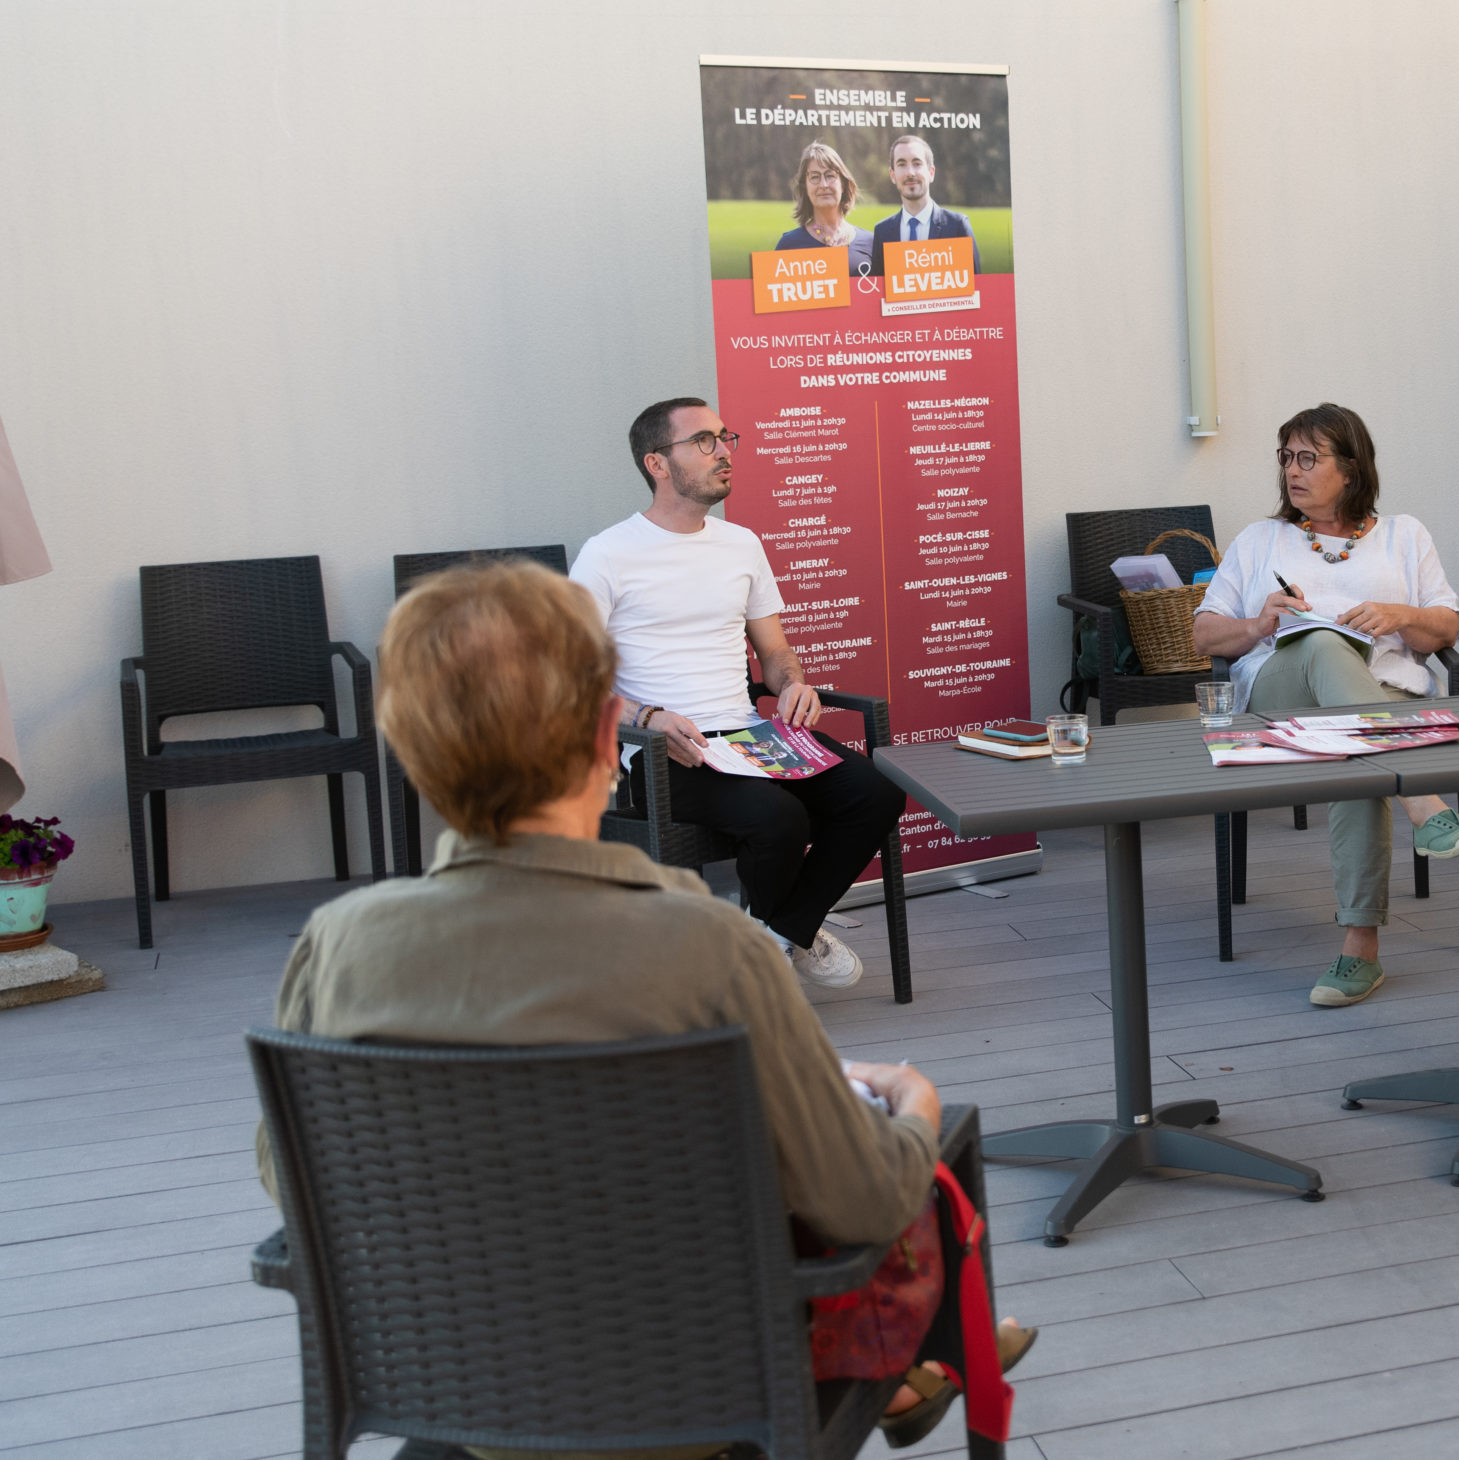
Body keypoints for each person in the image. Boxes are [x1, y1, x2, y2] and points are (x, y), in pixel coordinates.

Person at [255, 560, 1024, 1457]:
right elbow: (861, 1202)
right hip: (695, 1412)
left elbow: (290, 1176)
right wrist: (913, 1099)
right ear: (600, 745)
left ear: (413, 754)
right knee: (893, 1139)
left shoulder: (337, 948)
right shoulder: (712, 951)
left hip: (449, 1401)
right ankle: (919, 1366)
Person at [572, 397, 910, 989]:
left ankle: (780, 932)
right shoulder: (607, 553)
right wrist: (645, 716)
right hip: (662, 750)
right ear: (657, 462)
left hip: (751, 735)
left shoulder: (741, 544)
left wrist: (793, 684)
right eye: (703, 441)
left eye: (725, 437)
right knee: (776, 816)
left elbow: (774, 651)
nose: (724, 451)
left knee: (877, 793)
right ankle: (782, 935)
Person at [1191, 404, 1459, 1007]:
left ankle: (1361, 951)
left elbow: (1447, 627)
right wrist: (1259, 624)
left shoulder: (1405, 535)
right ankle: (1425, 806)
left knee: (1353, 750)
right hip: (1278, 703)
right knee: (1323, 640)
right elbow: (1203, 636)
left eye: (1308, 458)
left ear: (1350, 470)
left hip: (1382, 701)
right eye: (1286, 458)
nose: (1292, 472)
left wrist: (1400, 615)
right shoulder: (1259, 540)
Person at [773, 140, 875, 277]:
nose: (823, 184)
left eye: (830, 175)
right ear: (805, 187)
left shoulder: (871, 242)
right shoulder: (789, 244)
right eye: (815, 177)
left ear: (843, 184)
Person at [869, 134, 973, 267]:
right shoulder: (882, 232)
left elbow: (976, 286)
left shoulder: (957, 226)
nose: (910, 172)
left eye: (917, 163)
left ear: (931, 172)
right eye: (902, 164)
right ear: (893, 175)